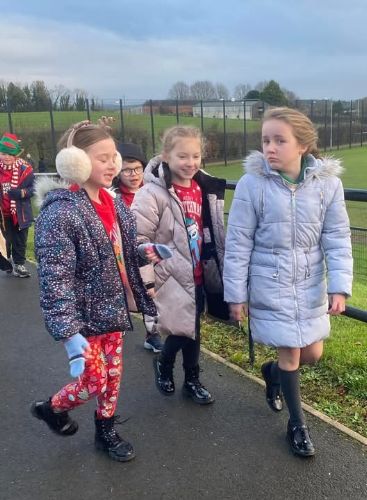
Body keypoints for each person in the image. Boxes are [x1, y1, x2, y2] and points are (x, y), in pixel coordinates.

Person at [223, 107, 353, 457]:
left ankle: (272, 373)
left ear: (303, 145)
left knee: (312, 353)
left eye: (280, 140)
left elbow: (337, 237)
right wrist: (236, 294)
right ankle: (298, 426)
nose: (270, 147)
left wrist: (339, 286)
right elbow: (238, 243)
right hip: (270, 283)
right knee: (292, 353)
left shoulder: (328, 185)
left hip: (310, 284)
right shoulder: (252, 185)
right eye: (266, 140)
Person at [30, 120, 157, 462]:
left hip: (112, 311)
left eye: (114, 156)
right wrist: (68, 333)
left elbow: (119, 251)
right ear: (75, 163)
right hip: (82, 321)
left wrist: (145, 252)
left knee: (113, 377)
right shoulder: (60, 214)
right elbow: (55, 281)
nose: (113, 164)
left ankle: (106, 431)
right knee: (93, 382)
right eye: (103, 158)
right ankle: (51, 408)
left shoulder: (113, 204)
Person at [132, 125, 227, 405]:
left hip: (198, 273)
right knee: (183, 329)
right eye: (182, 156)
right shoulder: (152, 193)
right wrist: (148, 278)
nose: (190, 163)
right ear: (166, 156)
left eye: (196, 156)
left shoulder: (202, 188)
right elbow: (139, 239)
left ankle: (191, 380)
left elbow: (211, 230)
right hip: (169, 275)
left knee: (193, 328)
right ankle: (164, 362)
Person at [114, 142, 163, 354]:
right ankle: (116, 326)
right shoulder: (113, 196)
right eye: (127, 170)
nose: (133, 174)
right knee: (121, 292)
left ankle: (153, 334)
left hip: (148, 252)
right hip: (122, 254)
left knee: (151, 292)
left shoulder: (153, 190)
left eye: (137, 169)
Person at [0, 132, 34, 278]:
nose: (6, 157)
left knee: (20, 240)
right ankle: (7, 262)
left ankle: (19, 264)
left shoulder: (25, 169)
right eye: (3, 153)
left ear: (16, 155)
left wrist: (21, 193)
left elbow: (33, 188)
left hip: (21, 213)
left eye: (10, 154)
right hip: (3, 215)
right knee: (5, 241)